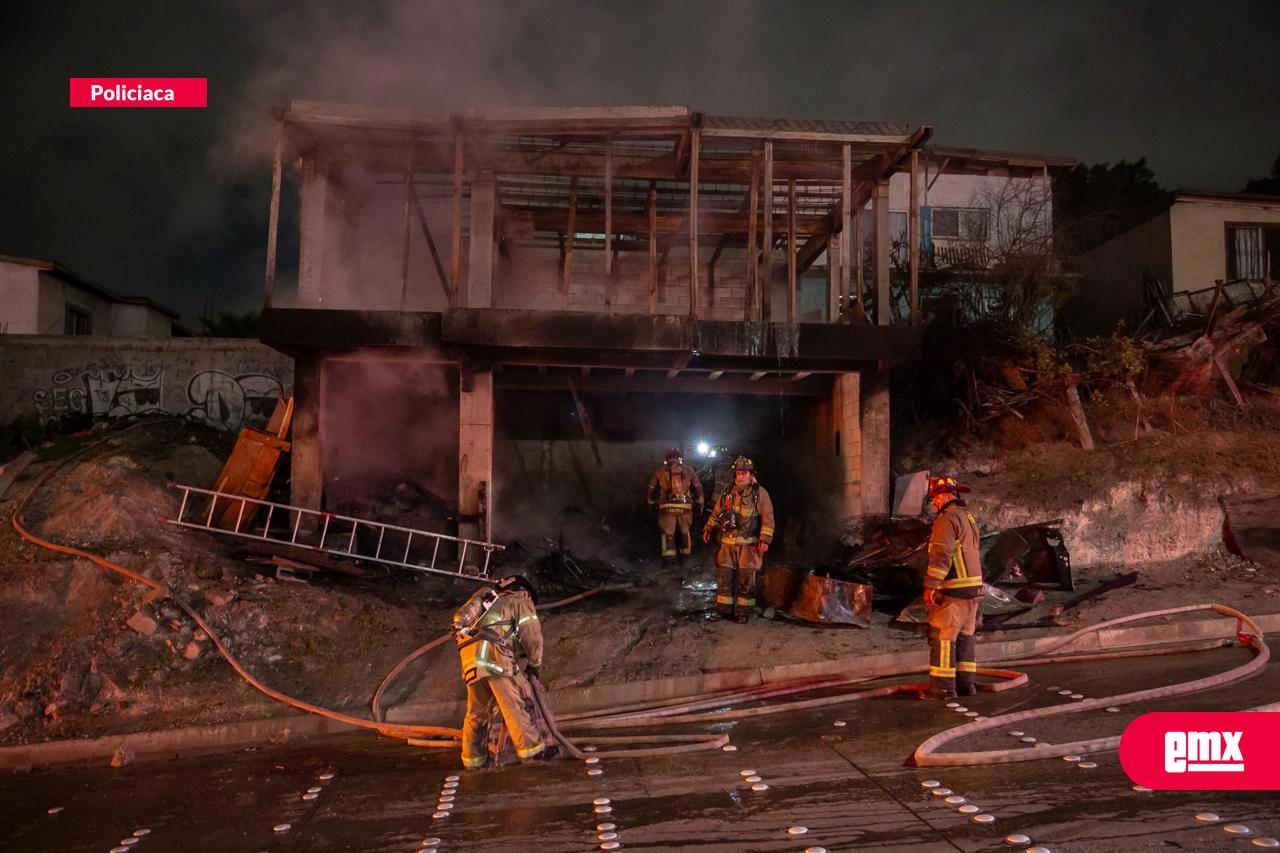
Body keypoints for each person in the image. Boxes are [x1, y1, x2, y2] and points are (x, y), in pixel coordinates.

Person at [452, 575, 557, 768]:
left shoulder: (489, 604)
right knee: (517, 704)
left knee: (477, 713)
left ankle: (474, 761)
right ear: (525, 593)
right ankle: (533, 752)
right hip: (495, 658)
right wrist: (535, 664)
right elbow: (531, 636)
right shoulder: (520, 601)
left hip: (472, 662)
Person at [922, 475, 983, 700]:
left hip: (954, 592)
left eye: (936, 499)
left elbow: (940, 554)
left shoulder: (946, 519)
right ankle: (967, 686)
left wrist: (930, 586)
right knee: (966, 638)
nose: (935, 504)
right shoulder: (968, 517)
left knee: (943, 637)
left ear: (946, 496)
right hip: (973, 592)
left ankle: (943, 689)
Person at [702, 455, 774, 622]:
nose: (739, 476)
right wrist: (708, 527)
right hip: (727, 544)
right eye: (738, 473)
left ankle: (743, 612)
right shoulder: (728, 492)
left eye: (743, 473)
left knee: (746, 579)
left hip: (749, 546)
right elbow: (716, 513)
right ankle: (724, 608)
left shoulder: (760, 494)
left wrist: (764, 540)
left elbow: (768, 518)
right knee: (724, 576)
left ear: (751, 474)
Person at [646, 447, 705, 565]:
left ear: (666, 458)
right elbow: (699, 489)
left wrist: (651, 504)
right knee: (685, 531)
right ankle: (686, 558)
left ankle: (670, 561)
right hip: (686, 508)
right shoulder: (689, 470)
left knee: (668, 533)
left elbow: (651, 490)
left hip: (666, 508)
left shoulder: (659, 471)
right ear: (681, 457)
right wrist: (700, 505)